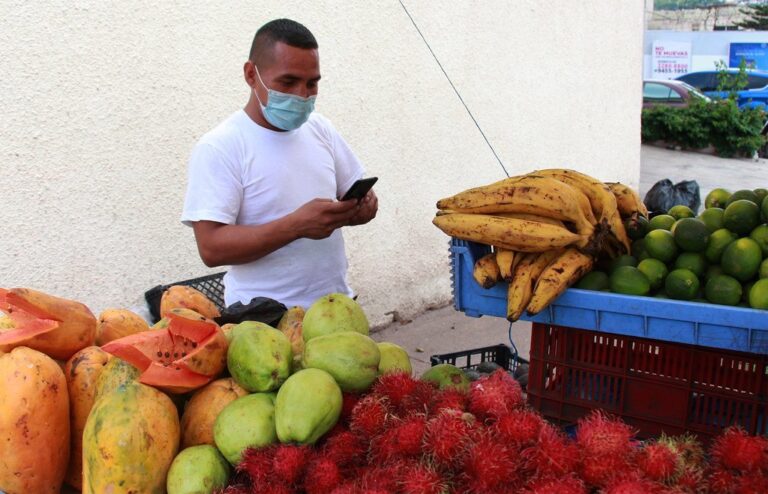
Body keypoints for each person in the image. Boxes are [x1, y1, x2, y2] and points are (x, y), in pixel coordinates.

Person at [181, 18, 378, 309]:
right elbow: (211, 248)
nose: (302, 95)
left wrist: (360, 209)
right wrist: (295, 226)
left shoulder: (320, 129)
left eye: (312, 84)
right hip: (262, 319)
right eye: (288, 82)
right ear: (251, 74)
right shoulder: (221, 146)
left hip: (336, 307)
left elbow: (357, 194)